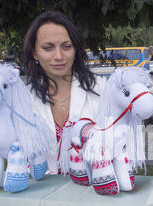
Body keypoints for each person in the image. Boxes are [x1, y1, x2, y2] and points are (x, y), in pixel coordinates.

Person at [22, 11, 106, 174]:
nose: (59, 56)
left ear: (76, 49)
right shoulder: (24, 99)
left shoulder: (102, 89)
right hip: (43, 196)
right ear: (34, 52)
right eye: (48, 48)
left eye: (66, 47)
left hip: (94, 194)